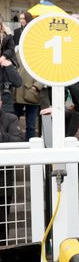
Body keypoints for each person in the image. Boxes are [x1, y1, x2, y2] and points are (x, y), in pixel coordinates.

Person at [0, 99, 24, 245]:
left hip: (3, 180)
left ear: (1, 102)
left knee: (2, 220)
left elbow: (19, 140)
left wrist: (1, 137)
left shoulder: (10, 118)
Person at [13, 64, 45, 139]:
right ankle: (14, 143)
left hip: (32, 95)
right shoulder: (16, 54)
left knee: (31, 126)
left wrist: (36, 87)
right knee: (13, 123)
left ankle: (30, 145)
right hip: (17, 93)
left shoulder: (38, 57)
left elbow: (44, 73)